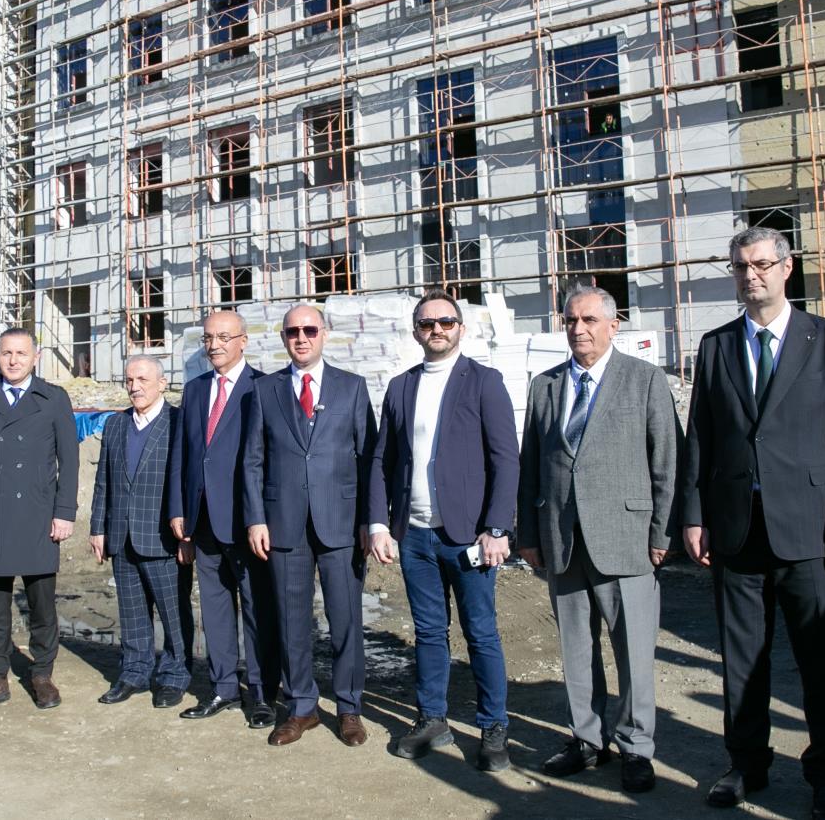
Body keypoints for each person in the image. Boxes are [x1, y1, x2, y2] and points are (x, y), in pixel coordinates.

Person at [680, 225, 825, 820]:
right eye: (740, 266)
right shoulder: (716, 345)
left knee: (821, 661)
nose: (750, 276)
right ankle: (746, 764)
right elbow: (701, 436)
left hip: (810, 530)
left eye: (761, 264)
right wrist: (694, 516)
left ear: (787, 268)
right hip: (736, 528)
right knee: (742, 658)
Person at [516, 284, 680, 794]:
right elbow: (530, 466)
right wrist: (529, 533)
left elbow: (667, 462)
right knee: (575, 647)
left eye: (589, 320)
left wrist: (663, 532)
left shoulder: (644, 380)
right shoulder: (545, 386)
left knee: (633, 651)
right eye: (570, 320)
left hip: (626, 538)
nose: (578, 329)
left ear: (613, 325)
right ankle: (587, 739)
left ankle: (636, 746)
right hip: (562, 539)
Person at [366, 288, 519, 771]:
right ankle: (433, 719)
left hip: (468, 535)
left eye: (445, 322)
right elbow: (382, 461)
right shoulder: (401, 387)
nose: (437, 329)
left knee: (481, 632)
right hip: (414, 535)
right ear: (416, 331)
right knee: (429, 632)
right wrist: (379, 523)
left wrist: (498, 527)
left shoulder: (484, 382)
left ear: (460, 328)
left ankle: (494, 726)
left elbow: (505, 459)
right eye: (427, 323)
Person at [242, 304, 377, 747]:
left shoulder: (351, 388)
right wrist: (256, 518)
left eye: (309, 330)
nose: (301, 338)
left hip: (340, 523)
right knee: (290, 620)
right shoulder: (264, 391)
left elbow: (369, 459)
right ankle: (301, 706)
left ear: (324, 334)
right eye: (292, 332)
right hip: (283, 524)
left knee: (346, 618)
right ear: (283, 337)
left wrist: (370, 521)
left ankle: (349, 707)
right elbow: (253, 460)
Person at [0, 328, 79, 713]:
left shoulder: (53, 398)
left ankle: (42, 674)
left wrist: (64, 512)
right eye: (6, 353)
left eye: (21, 353)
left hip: (38, 515)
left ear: (35, 357)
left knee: (42, 605)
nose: (13, 360)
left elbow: (69, 460)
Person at [165, 309, 278, 728]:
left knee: (256, 609)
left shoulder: (263, 388)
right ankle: (224, 688)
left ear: (243, 341)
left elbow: (268, 460)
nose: (214, 345)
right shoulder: (195, 390)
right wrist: (178, 509)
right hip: (203, 519)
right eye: (209, 338)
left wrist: (261, 517)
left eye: (224, 337)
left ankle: (263, 693)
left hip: (247, 522)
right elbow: (183, 453)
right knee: (214, 608)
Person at [89, 356, 191, 708]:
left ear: (162, 384)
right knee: (132, 613)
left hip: (163, 538)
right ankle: (134, 672)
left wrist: (187, 536)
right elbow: (103, 480)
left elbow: (188, 482)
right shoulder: (116, 425)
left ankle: (174, 675)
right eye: (130, 380)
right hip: (122, 535)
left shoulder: (178, 423)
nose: (135, 387)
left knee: (173, 614)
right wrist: (98, 528)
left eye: (143, 379)